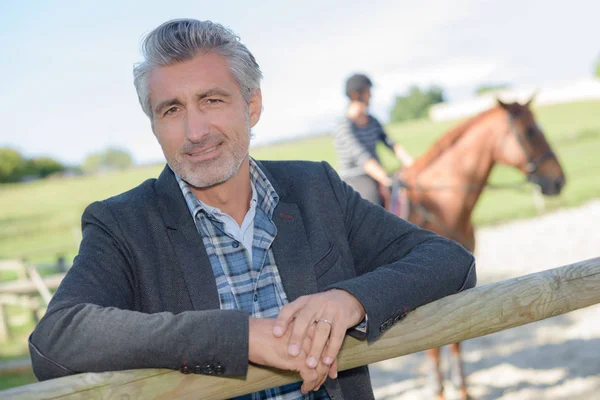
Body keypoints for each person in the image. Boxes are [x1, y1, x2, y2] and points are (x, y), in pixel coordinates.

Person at [29, 19, 476, 400]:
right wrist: (240, 337)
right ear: (154, 126)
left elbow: (450, 262)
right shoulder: (122, 224)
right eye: (171, 110)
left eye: (212, 100)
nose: (195, 131)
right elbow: (57, 339)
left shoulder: (315, 188)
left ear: (253, 105)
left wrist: (350, 300)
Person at [332, 74, 413, 207]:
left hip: (377, 172)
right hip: (355, 177)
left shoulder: (372, 121)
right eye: (367, 91)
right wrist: (386, 179)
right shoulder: (344, 127)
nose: (371, 95)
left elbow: (391, 145)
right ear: (355, 95)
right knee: (372, 200)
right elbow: (363, 159)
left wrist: (413, 165)